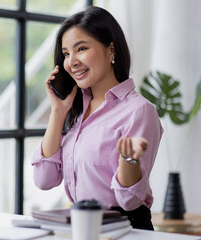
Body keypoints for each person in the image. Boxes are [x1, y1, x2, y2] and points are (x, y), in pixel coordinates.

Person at [31, 6, 163, 230]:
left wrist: (129, 161)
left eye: (81, 48)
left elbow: (129, 201)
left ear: (110, 50)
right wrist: (58, 111)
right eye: (65, 53)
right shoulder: (76, 111)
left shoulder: (139, 111)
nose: (71, 62)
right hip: (82, 226)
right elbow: (44, 180)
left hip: (124, 229)